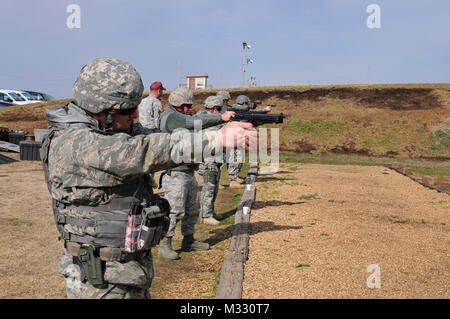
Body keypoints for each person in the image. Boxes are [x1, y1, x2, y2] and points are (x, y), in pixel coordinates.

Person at [41, 57, 255, 298]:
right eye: (126, 110)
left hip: (120, 273)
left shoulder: (103, 130)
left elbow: (157, 137)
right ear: (101, 110)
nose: (134, 115)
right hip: (101, 282)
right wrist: (216, 140)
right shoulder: (76, 143)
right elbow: (142, 151)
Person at [157, 88, 235, 260]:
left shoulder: (179, 115)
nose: (190, 109)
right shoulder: (170, 117)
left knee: (192, 209)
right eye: (187, 106)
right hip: (176, 173)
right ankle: (165, 244)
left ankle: (189, 240)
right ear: (178, 105)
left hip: (187, 171)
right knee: (174, 210)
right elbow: (195, 121)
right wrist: (220, 117)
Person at [197, 96, 226, 225]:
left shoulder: (213, 120)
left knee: (214, 187)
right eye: (219, 109)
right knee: (209, 187)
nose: (220, 112)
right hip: (208, 160)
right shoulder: (205, 121)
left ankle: (210, 211)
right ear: (213, 109)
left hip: (215, 159)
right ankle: (205, 215)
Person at [216, 90, 245, 189]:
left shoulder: (214, 109)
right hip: (222, 139)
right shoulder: (225, 110)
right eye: (227, 100)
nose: (228, 102)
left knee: (219, 161)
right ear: (224, 100)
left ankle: (227, 180)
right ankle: (231, 180)